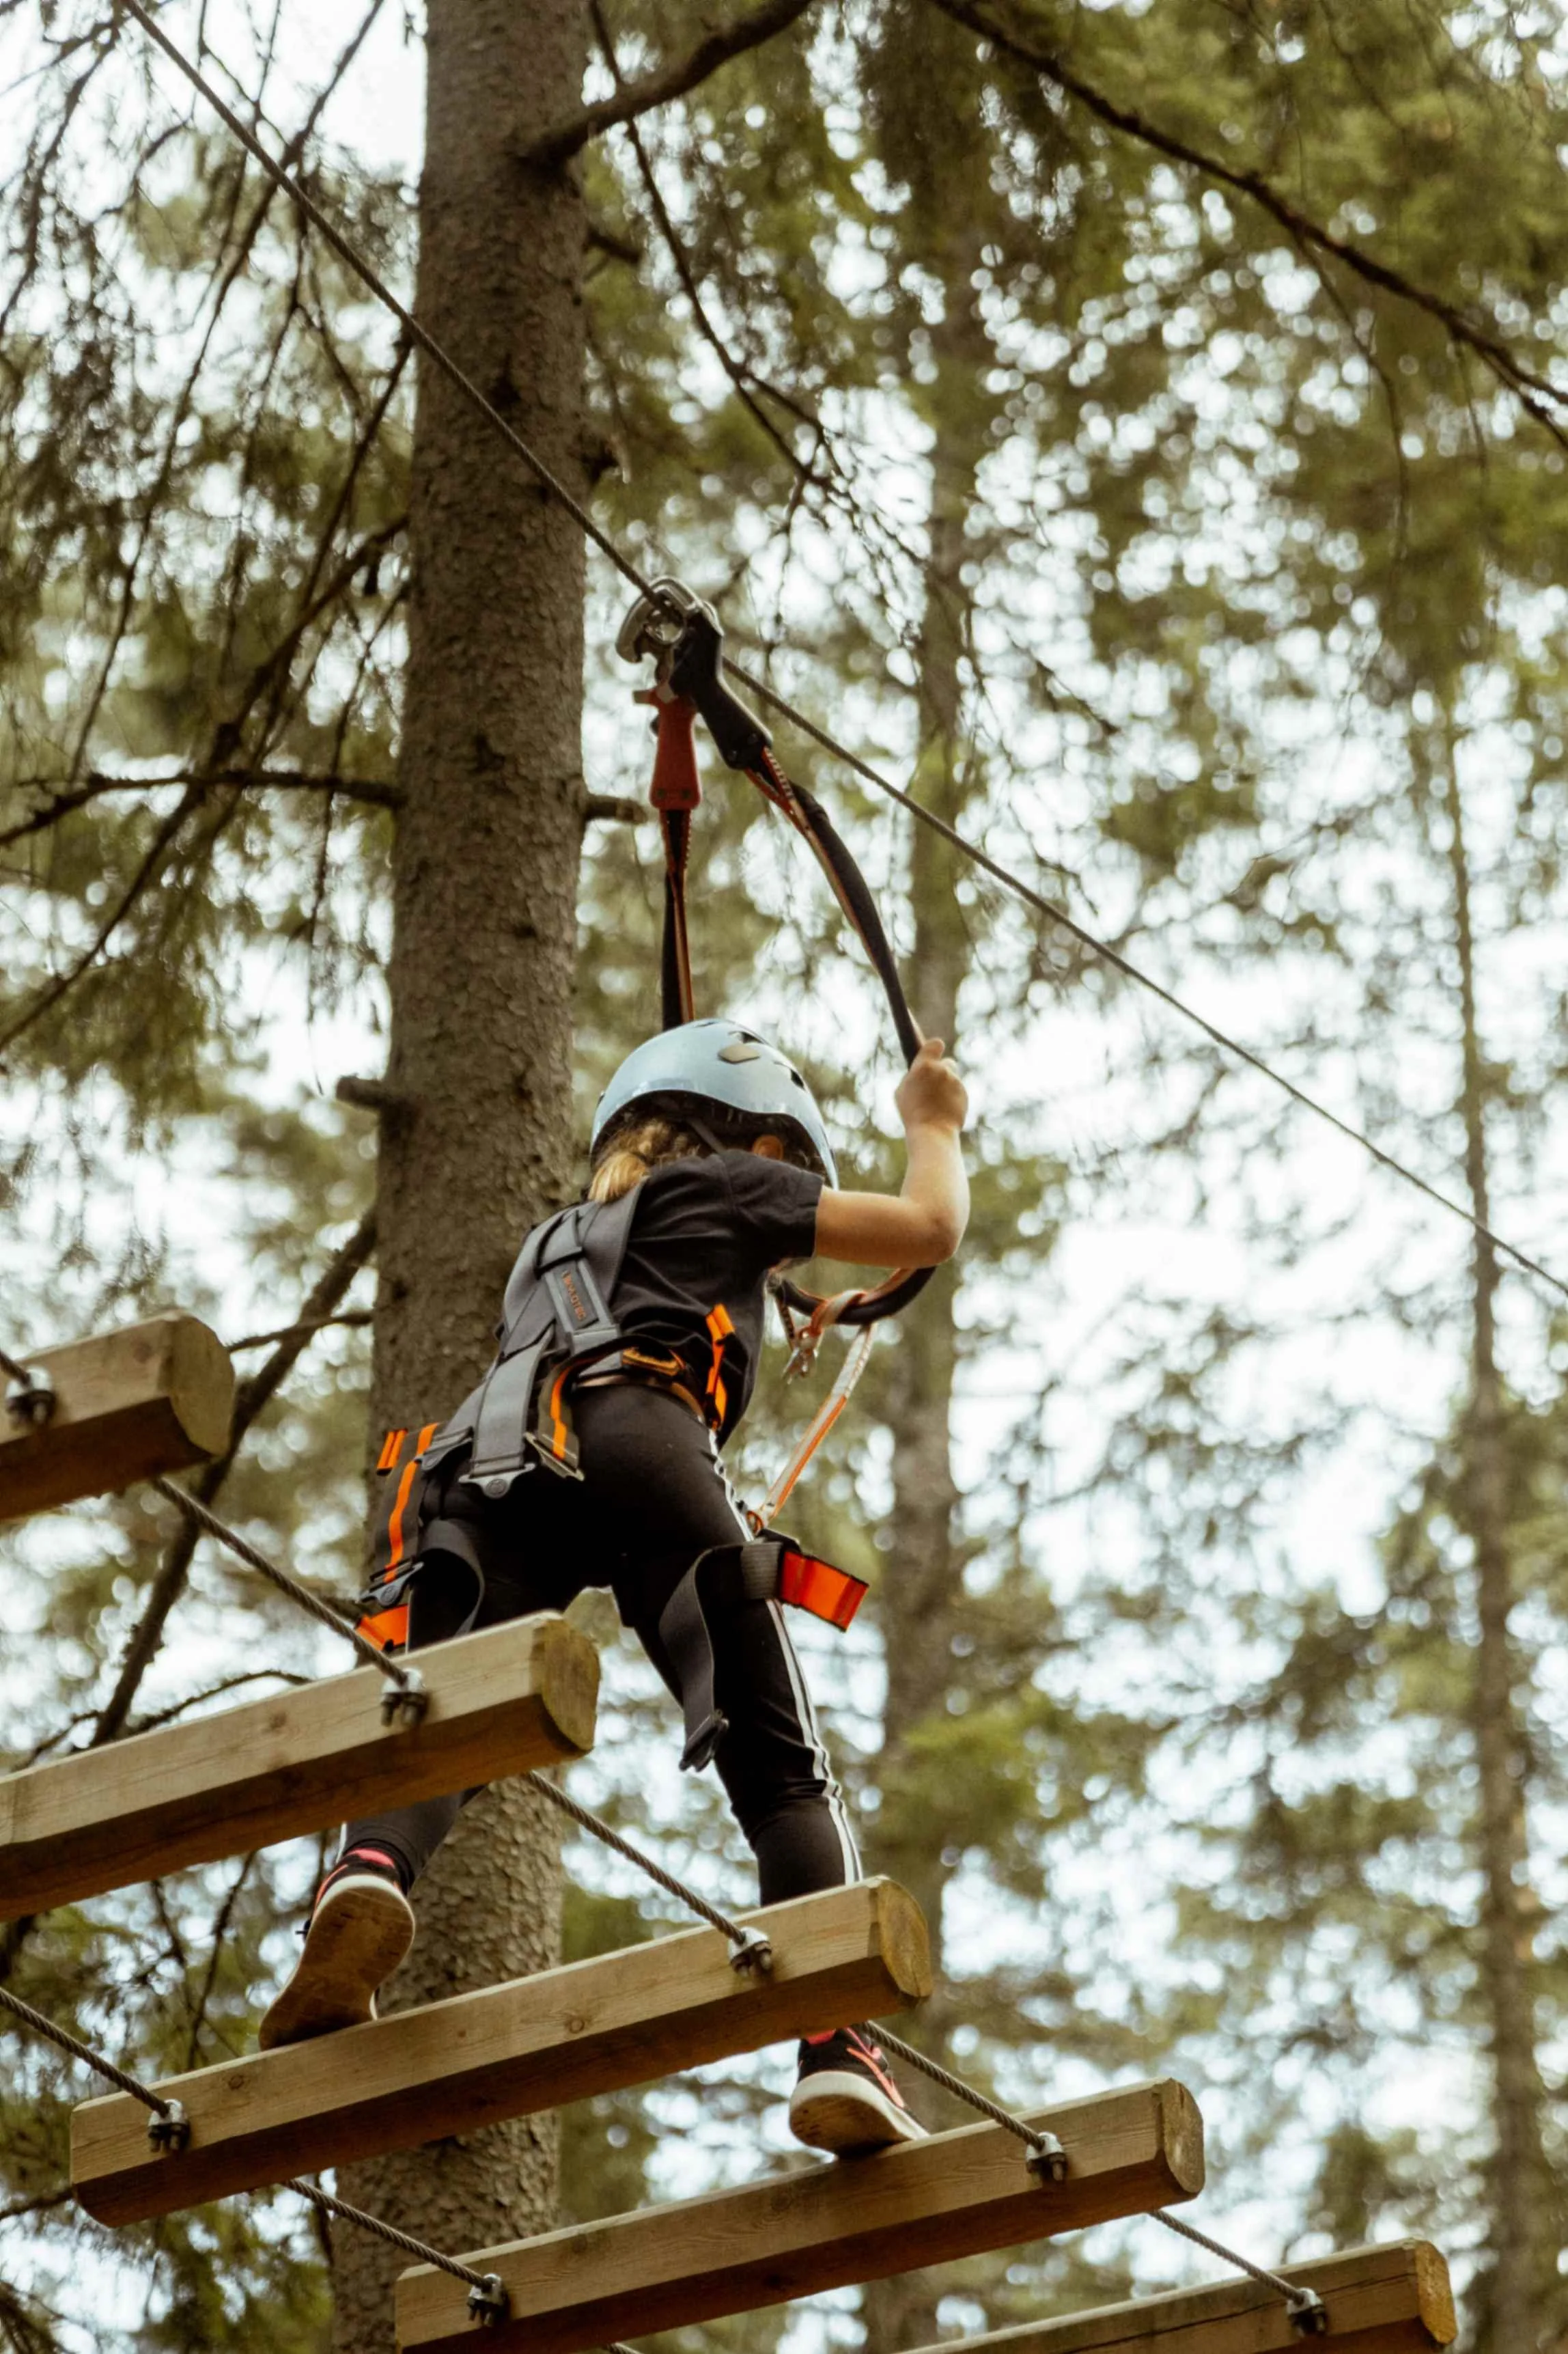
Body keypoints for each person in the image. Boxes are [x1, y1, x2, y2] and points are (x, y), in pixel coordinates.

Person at [260, 1017, 968, 2154]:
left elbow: (686, 1288)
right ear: (762, 1145)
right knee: (783, 1774)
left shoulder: (559, 1240)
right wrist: (934, 1124)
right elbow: (930, 1226)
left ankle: (369, 1869)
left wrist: (801, 1301)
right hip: (644, 1439)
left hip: (497, 1466)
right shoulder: (737, 1187)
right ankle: (836, 2045)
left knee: (443, 1724)